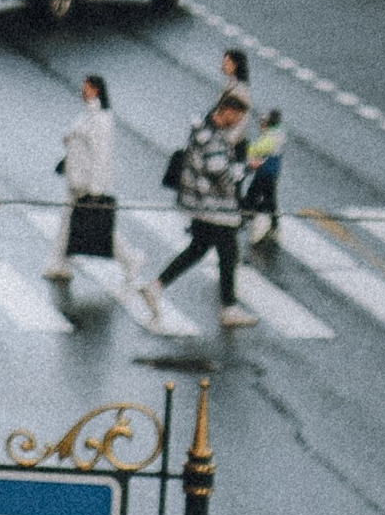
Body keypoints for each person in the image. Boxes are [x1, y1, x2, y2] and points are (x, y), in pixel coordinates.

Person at [129, 95, 260, 350]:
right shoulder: (214, 138)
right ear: (227, 111)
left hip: (201, 205)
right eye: (238, 117)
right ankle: (228, 308)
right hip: (215, 207)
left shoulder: (204, 132)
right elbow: (221, 175)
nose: (238, 123)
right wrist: (247, 168)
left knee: (198, 249)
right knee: (228, 254)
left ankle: (156, 286)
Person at [44, 74, 119, 317]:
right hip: (75, 177)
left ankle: (130, 259)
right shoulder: (89, 114)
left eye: (87, 87)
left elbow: (101, 154)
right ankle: (59, 264)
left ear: (96, 90)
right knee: (68, 221)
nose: (82, 90)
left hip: (86, 180)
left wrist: (96, 187)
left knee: (91, 224)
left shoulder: (101, 118)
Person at [240, 105, 285, 249]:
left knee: (256, 195)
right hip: (271, 173)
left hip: (265, 173)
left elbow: (255, 149)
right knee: (269, 198)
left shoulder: (270, 138)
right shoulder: (278, 133)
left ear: (268, 124)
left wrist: (242, 147)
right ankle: (273, 224)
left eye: (262, 123)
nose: (260, 125)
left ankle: (245, 218)